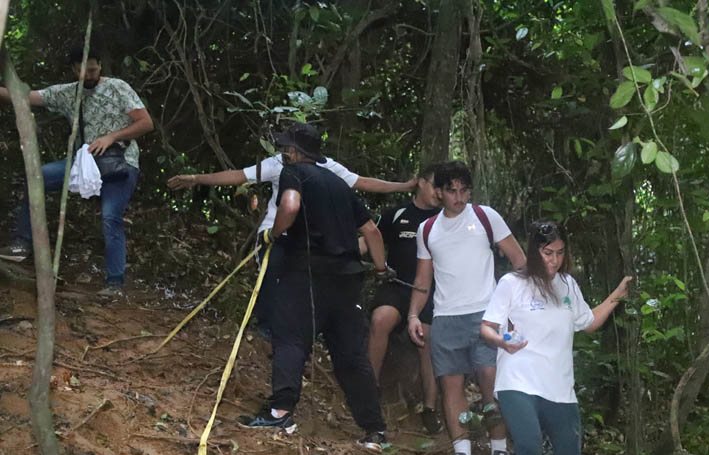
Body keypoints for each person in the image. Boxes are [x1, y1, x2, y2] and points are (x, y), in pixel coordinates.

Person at [480, 220, 632, 455]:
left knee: (569, 454)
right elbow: (487, 327)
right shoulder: (512, 283)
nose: (554, 260)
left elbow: (587, 322)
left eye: (560, 253)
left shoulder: (567, 285)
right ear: (534, 251)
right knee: (530, 444)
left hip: (559, 387)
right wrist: (503, 341)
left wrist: (616, 296)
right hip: (518, 379)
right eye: (548, 253)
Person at [237, 123, 390, 451]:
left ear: (294, 152)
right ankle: (375, 429)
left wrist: (274, 233)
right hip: (347, 280)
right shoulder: (339, 184)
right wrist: (380, 268)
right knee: (351, 355)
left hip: (307, 274)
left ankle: (280, 412)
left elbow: (290, 206)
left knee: (291, 338)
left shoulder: (294, 174)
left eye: (286, 148)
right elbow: (371, 231)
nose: (284, 153)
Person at [167, 151, 414, 336]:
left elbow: (363, 183)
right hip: (275, 233)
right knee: (273, 272)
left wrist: (404, 186)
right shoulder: (277, 163)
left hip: (309, 241)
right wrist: (196, 178)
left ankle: (299, 331)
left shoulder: (328, 167)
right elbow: (240, 176)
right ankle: (265, 328)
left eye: (290, 147)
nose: (286, 151)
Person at [406, 160, 525, 455]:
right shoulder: (427, 230)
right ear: (439, 192)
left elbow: (519, 260)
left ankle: (500, 454)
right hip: (446, 318)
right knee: (451, 386)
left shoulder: (486, 217)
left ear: (470, 191)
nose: (458, 198)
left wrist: (515, 309)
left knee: (490, 382)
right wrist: (414, 314)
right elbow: (423, 279)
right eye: (451, 191)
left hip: (487, 316)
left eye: (463, 190)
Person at [0, 46, 154, 296]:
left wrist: (111, 137)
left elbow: (146, 123)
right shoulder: (68, 93)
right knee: (37, 177)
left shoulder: (118, 87)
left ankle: (114, 283)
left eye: (93, 69)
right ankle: (22, 244)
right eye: (84, 70)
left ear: (100, 66)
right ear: (74, 69)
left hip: (120, 162)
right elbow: (26, 97)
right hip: (86, 163)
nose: (90, 75)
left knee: (111, 217)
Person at [367, 163, 441, 434]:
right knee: (380, 319)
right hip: (397, 284)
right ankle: (369, 390)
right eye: (435, 185)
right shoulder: (397, 214)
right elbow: (368, 240)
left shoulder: (444, 218)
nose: (439, 192)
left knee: (426, 339)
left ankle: (430, 407)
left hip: (430, 291)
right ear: (421, 182)